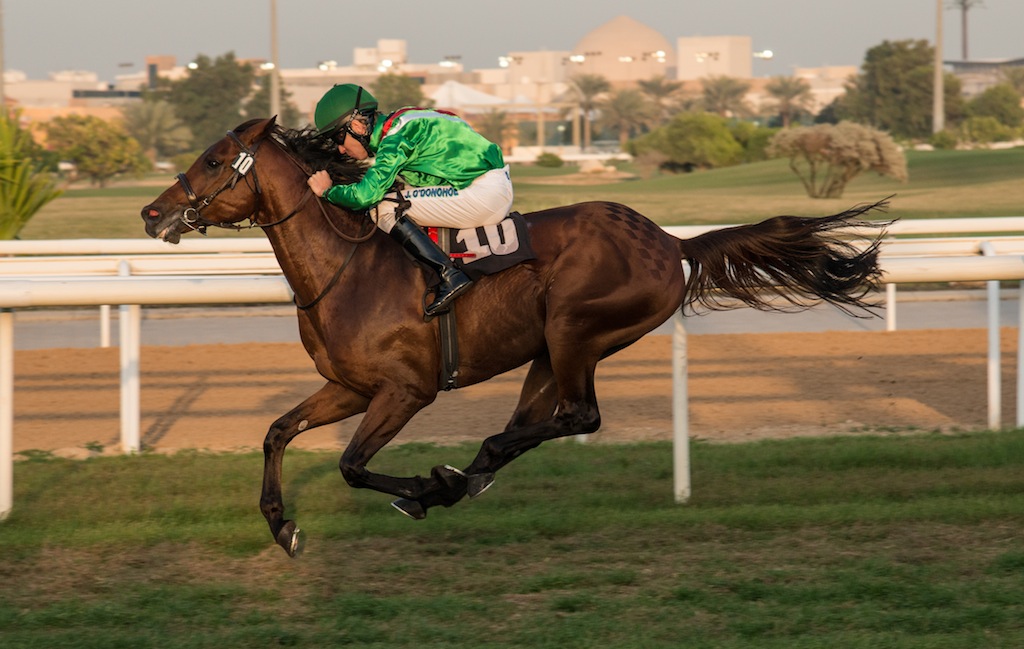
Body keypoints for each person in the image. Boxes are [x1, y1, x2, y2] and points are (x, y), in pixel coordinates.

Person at [306, 83, 514, 316]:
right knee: (395, 196)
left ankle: (449, 275)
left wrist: (328, 192)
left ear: (356, 126)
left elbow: (365, 196)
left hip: (483, 193)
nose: (341, 150)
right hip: (489, 185)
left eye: (339, 139)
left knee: (383, 207)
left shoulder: (395, 138)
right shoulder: (402, 120)